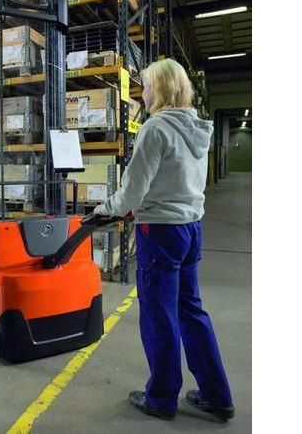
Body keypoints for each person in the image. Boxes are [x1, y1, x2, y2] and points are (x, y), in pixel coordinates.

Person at [94, 58, 234, 422]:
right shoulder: (197, 128)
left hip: (160, 231)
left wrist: (105, 209)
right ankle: (217, 395)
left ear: (159, 88)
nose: (142, 93)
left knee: (159, 314)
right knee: (191, 310)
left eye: (146, 86)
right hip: (191, 228)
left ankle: (160, 398)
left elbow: (133, 192)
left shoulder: (155, 128)